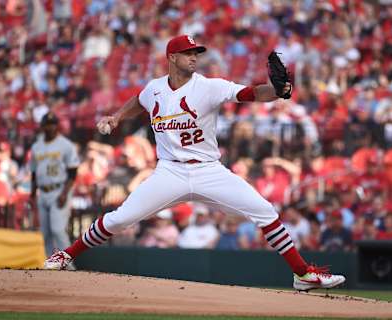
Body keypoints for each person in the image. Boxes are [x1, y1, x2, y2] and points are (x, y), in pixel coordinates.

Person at [44, 35, 345, 291]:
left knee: (265, 211)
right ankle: (65, 255)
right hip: (170, 170)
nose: (194, 57)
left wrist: (277, 91)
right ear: (172, 57)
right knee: (121, 219)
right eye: (188, 53)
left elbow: (251, 93)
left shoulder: (207, 86)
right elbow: (139, 100)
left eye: (196, 53)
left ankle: (302, 274)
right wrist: (118, 116)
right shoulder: (155, 88)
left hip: (208, 170)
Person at [30, 112, 80, 258]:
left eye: (53, 124)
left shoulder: (65, 145)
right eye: (48, 124)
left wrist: (64, 193)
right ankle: (51, 265)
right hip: (43, 192)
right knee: (45, 233)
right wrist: (32, 194)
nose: (50, 127)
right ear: (42, 126)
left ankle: (67, 264)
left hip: (59, 190)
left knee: (57, 230)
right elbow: (34, 172)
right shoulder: (36, 146)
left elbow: (73, 172)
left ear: (57, 126)